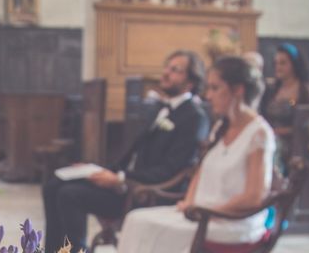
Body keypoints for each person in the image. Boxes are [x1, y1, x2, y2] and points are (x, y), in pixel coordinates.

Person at [42, 50, 210, 253]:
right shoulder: (160, 108)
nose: (165, 73)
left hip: (146, 192)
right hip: (125, 183)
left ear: (190, 82)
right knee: (53, 184)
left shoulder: (194, 117)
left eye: (175, 70)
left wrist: (120, 178)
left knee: (69, 195)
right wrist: (97, 169)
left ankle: (76, 250)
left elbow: (171, 169)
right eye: (167, 67)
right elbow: (133, 155)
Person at [117, 56, 275, 253]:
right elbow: (200, 172)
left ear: (238, 90)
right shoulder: (221, 126)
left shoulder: (259, 133)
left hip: (233, 224)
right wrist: (190, 202)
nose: (208, 96)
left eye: (215, 88)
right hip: (202, 213)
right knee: (136, 220)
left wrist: (213, 211)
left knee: (157, 231)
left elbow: (254, 196)